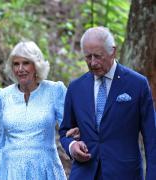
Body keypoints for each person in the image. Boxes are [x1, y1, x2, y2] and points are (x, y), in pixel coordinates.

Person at [59, 26, 156, 180]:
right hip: (84, 173)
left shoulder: (137, 84)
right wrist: (72, 146)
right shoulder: (76, 87)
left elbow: (152, 138)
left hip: (125, 174)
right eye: (88, 57)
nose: (92, 62)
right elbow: (65, 131)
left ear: (113, 51)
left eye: (98, 56)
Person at [0, 41, 76, 180]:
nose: (20, 69)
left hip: (45, 170)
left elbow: (70, 129)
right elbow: (0, 140)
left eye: (26, 63)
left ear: (36, 65)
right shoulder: (2, 96)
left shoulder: (55, 90)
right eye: (16, 64)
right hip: (11, 172)